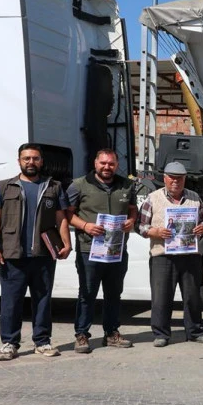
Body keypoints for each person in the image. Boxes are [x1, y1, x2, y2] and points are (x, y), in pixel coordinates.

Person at [0, 143, 71, 361]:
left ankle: (42, 342)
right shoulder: (5, 187)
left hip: (44, 254)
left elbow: (61, 218)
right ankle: (9, 343)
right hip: (12, 255)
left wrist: (66, 243)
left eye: (35, 158)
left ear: (41, 161)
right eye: (26, 158)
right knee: (11, 301)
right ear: (19, 161)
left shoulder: (53, 187)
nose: (31, 162)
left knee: (43, 300)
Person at [65, 149, 138, 353]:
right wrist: (85, 226)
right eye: (103, 163)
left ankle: (111, 333)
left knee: (114, 293)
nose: (107, 167)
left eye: (111, 164)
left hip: (116, 250)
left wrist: (131, 221)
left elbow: (133, 209)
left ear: (116, 165)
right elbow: (67, 214)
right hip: (89, 250)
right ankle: (81, 335)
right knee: (87, 294)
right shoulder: (78, 185)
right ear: (95, 163)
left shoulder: (127, 185)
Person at [138, 162, 203, 347]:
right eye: (172, 177)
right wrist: (154, 232)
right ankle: (161, 334)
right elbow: (140, 225)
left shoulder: (194, 198)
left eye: (179, 178)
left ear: (185, 179)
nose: (175, 181)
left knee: (192, 296)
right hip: (162, 255)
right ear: (165, 178)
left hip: (190, 255)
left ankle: (194, 331)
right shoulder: (152, 199)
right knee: (161, 296)